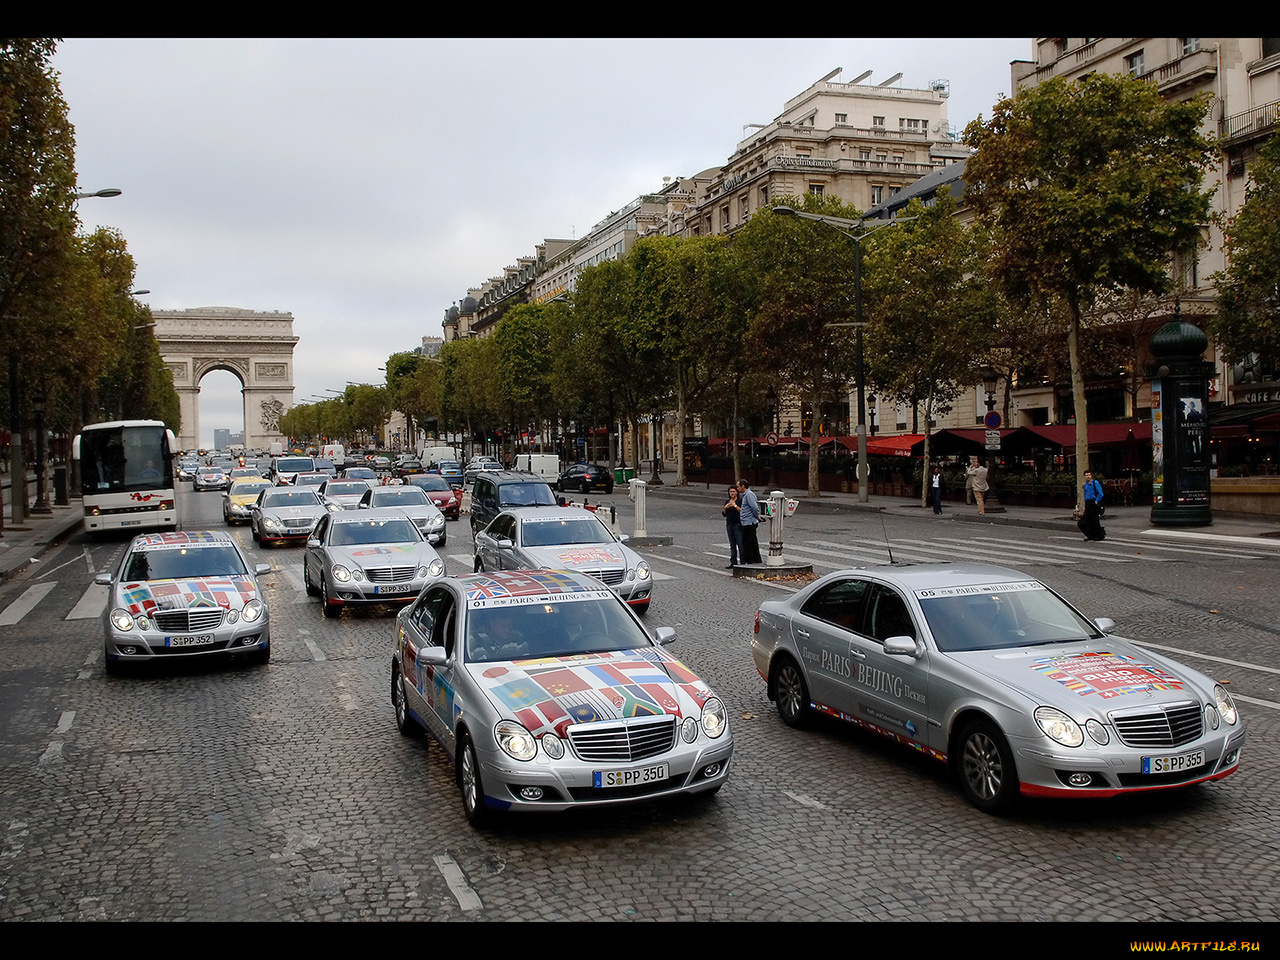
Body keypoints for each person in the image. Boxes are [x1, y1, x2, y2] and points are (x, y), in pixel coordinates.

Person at [736, 479, 762, 565]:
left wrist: (756, 516)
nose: (737, 488)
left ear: (743, 486)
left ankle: (750, 560)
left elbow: (754, 507)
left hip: (749, 522)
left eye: (738, 486)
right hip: (748, 521)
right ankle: (756, 560)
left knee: (747, 543)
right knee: (753, 542)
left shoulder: (749, 495)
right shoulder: (746, 495)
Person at [1078, 470, 1106, 541]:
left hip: (1094, 502)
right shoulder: (1085, 485)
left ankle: (1099, 535)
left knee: (1095, 520)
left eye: (1089, 475)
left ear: (1091, 476)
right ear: (1084, 476)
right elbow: (1085, 496)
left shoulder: (1095, 483)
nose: (1088, 477)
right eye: (1086, 475)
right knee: (1085, 521)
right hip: (1088, 503)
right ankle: (1091, 535)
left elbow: (1100, 493)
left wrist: (1096, 501)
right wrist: (1084, 506)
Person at [722, 485, 743, 567]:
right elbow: (724, 514)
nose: (732, 493)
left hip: (738, 524)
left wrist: (735, 505)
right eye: (730, 492)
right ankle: (733, 562)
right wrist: (725, 507)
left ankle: (742, 561)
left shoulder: (740, 501)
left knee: (740, 543)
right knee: (732, 544)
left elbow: (742, 511)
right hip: (729, 524)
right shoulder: (727, 501)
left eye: (733, 491)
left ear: (737, 492)